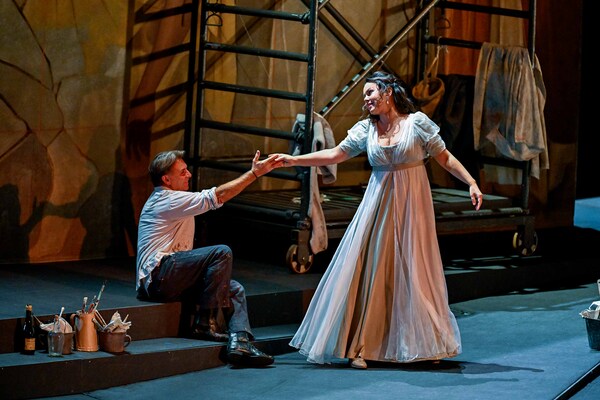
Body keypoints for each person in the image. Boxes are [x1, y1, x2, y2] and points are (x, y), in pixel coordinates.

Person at [272, 70, 483, 369]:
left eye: (370, 93)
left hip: (412, 207)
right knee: (372, 270)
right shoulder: (366, 130)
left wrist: (471, 182)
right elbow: (335, 155)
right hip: (377, 206)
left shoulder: (416, 123)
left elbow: (444, 157)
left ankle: (426, 344)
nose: (367, 100)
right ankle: (361, 346)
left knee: (415, 271)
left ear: (388, 92)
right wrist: (294, 160)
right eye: (365, 96)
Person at [136, 149, 280, 367]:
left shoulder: (177, 199)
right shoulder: (167, 199)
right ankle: (204, 324)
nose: (189, 175)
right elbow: (217, 196)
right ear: (166, 180)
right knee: (221, 252)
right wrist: (254, 174)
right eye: (182, 172)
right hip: (158, 277)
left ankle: (240, 343)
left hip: (172, 277)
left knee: (235, 289)